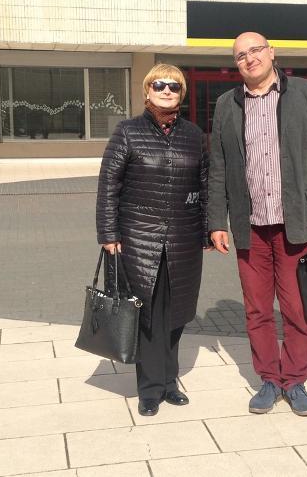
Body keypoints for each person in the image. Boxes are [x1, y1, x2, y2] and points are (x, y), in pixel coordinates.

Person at [207, 32, 307, 417]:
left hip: (297, 222)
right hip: (250, 226)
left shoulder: (306, 93)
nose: (249, 59)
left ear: (271, 52)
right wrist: (216, 221)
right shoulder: (226, 104)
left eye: (255, 50)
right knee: (257, 310)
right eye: (240, 55)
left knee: (297, 308)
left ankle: (294, 380)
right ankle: (268, 378)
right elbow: (218, 167)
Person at [96, 63, 209, 417]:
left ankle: (170, 382)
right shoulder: (127, 131)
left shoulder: (194, 135)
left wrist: (208, 229)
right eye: (159, 85)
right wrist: (109, 233)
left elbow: (205, 184)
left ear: (181, 94)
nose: (166, 90)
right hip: (139, 241)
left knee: (176, 315)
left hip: (183, 242)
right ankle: (149, 388)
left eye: (174, 86)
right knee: (145, 315)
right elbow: (109, 185)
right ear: (147, 90)